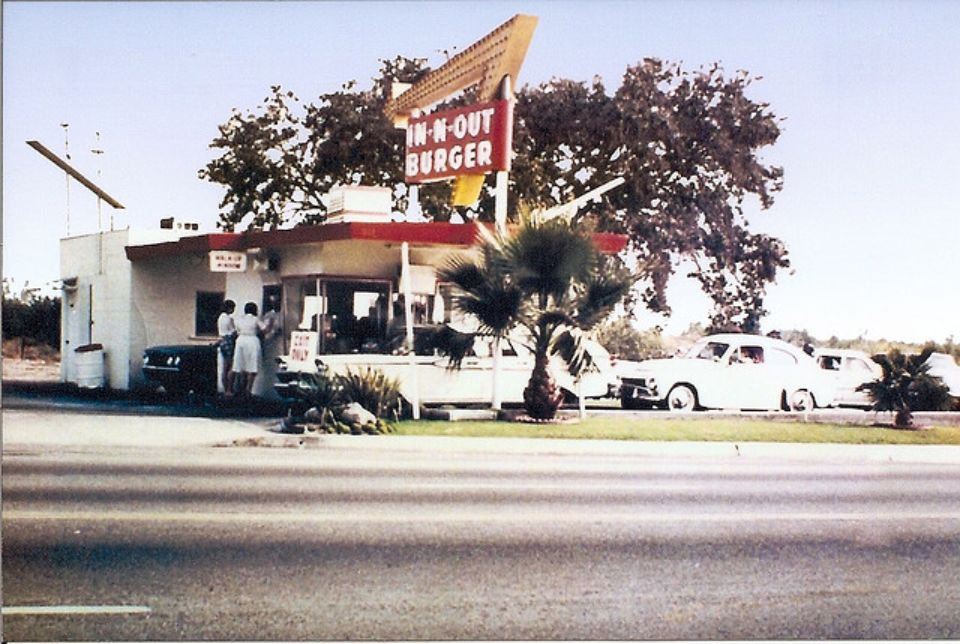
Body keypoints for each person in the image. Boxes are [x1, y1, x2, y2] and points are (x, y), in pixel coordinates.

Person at [232, 301, 267, 398]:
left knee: (241, 365)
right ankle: (248, 389)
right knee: (252, 366)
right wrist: (271, 325)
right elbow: (264, 330)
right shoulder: (256, 319)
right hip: (252, 340)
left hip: (241, 340)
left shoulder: (239, 319)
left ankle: (241, 389)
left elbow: (236, 330)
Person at [217, 300, 237, 397]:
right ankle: (229, 389)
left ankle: (225, 389)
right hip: (229, 341)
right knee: (231, 366)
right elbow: (233, 332)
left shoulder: (220, 318)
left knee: (224, 367)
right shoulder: (229, 319)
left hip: (222, 341)